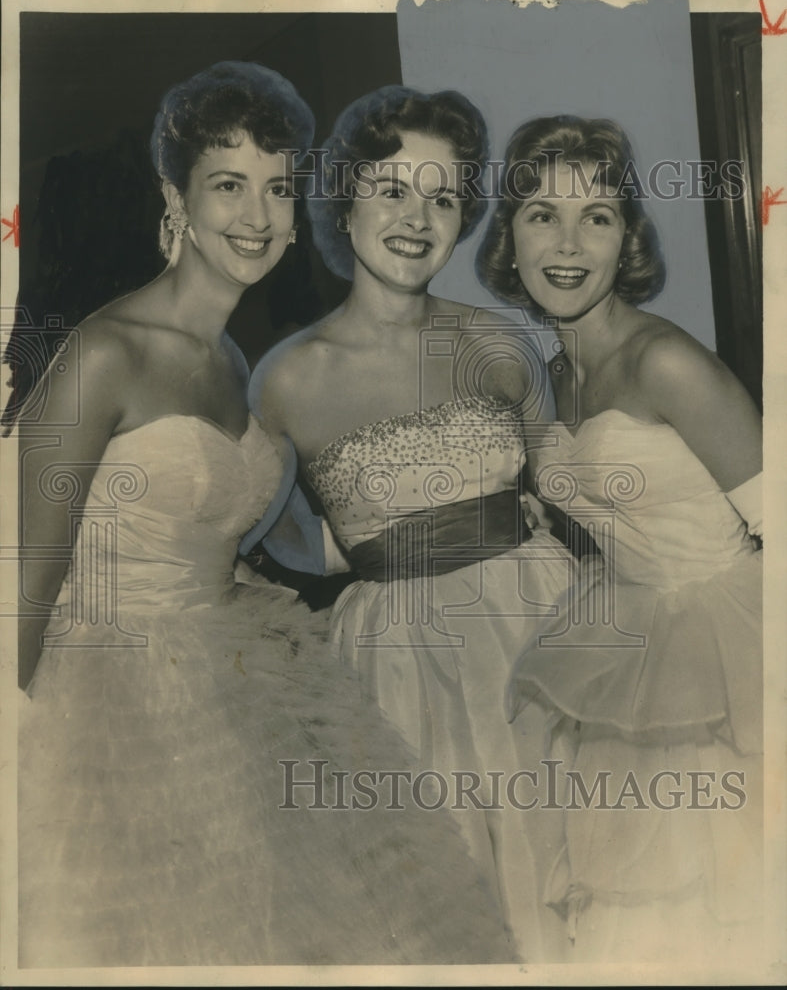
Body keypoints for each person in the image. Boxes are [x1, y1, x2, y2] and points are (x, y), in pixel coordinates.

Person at [13, 62, 513, 968]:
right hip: (114, 708)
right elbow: (21, 586)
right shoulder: (103, 353)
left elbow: (227, 533)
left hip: (236, 680)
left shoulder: (237, 361)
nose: (257, 217)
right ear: (175, 197)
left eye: (279, 189)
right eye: (228, 186)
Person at [252, 85, 579, 962]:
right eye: (393, 189)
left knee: (571, 879)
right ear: (344, 199)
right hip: (395, 667)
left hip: (540, 633)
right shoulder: (282, 380)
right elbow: (277, 544)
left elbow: (577, 493)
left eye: (442, 196)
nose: (417, 217)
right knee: (443, 903)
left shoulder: (503, 341)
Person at [476, 114, 763, 962]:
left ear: (624, 237)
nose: (568, 244)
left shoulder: (664, 361)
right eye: (541, 216)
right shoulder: (559, 373)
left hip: (722, 659)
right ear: (509, 238)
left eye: (595, 217)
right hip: (620, 648)